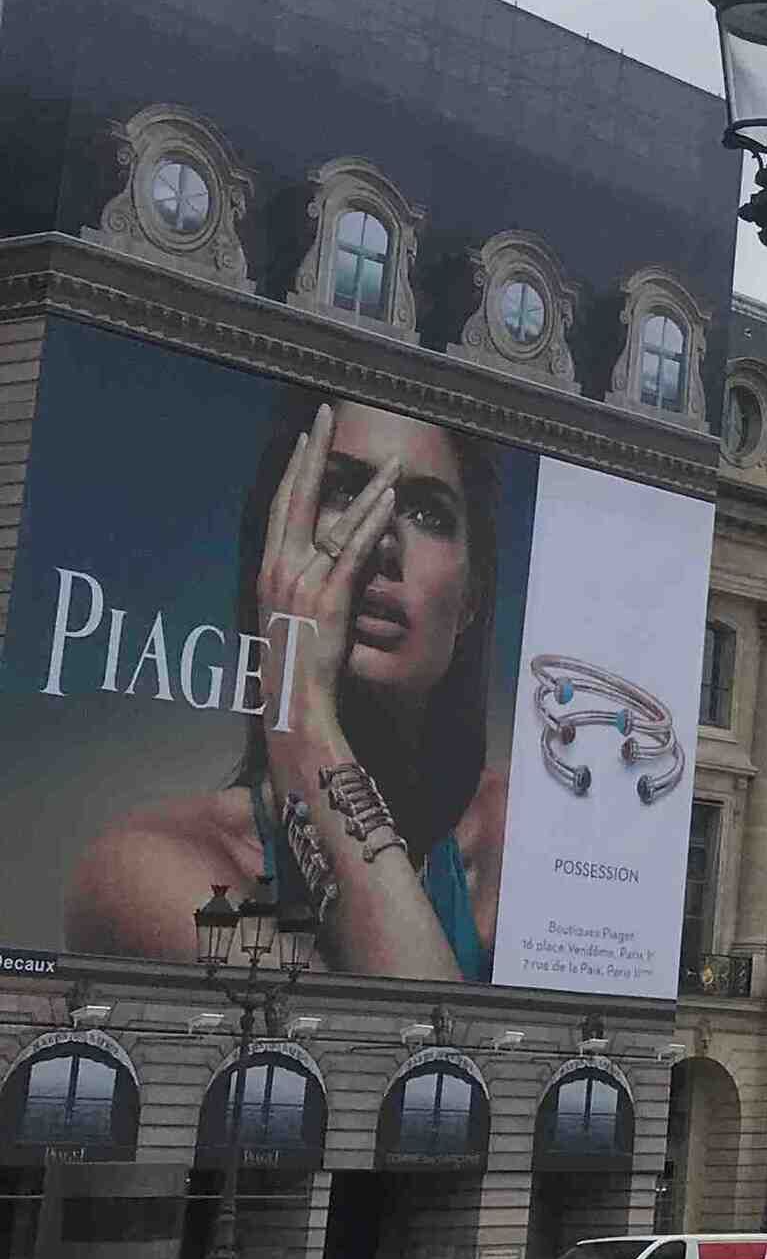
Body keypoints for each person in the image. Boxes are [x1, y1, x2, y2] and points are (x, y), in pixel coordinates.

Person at [69, 393, 513, 981]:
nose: (382, 542)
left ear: (471, 600)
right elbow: (392, 1028)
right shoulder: (142, 870)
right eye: (343, 491)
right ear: (274, 555)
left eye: (427, 513)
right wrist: (300, 707)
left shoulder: (513, 837)